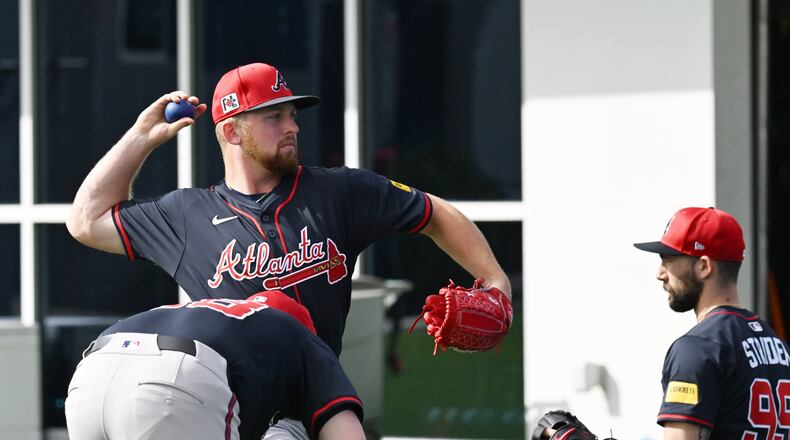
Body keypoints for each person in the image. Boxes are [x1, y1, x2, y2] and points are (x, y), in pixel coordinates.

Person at [65, 62, 512, 438]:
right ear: (233, 132)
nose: (293, 126)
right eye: (274, 116)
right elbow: (85, 221)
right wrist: (141, 138)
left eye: (292, 114)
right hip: (228, 398)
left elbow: (433, 213)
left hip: (310, 390)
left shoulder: (339, 191)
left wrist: (494, 278)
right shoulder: (186, 214)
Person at [65, 290, 365, 440]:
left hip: (91, 373)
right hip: (176, 377)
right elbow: (346, 433)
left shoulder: (216, 315)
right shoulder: (299, 336)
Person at [632, 207, 790, 439]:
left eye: (669, 260)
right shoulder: (777, 345)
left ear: (704, 266)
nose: (660, 273)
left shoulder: (697, 347)